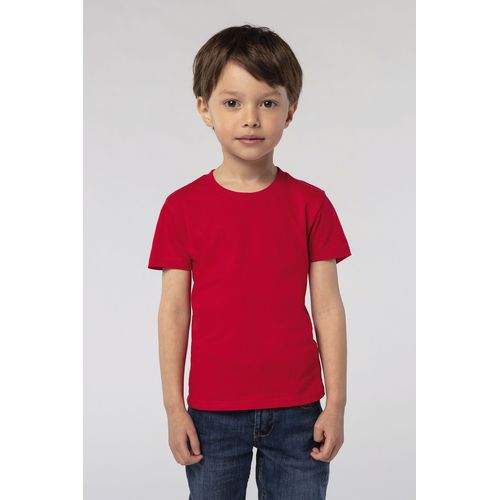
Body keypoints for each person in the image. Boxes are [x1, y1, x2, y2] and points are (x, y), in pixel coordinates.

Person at [148, 24, 352, 500]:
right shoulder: (181, 208)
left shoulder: (311, 204)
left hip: (299, 409)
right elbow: (174, 311)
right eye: (232, 102)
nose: (251, 119)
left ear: (290, 111)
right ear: (205, 109)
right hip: (212, 413)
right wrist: (174, 409)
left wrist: (336, 403)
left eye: (268, 103)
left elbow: (328, 308)